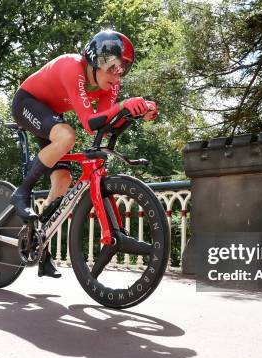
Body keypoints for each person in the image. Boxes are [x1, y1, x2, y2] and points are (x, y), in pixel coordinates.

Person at [10, 30, 159, 278]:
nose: (118, 75)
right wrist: (123, 106)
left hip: (51, 115)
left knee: (63, 182)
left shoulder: (109, 85)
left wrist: (136, 112)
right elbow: (90, 123)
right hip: (27, 103)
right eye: (113, 68)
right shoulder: (73, 67)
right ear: (96, 59)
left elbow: (105, 122)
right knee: (67, 136)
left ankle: (40, 243)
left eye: (123, 69)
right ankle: (22, 191)